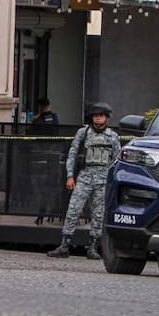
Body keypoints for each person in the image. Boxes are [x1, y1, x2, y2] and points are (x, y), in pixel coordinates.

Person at [48, 101, 121, 259]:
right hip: (85, 177)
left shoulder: (113, 136)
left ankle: (93, 246)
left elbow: (116, 160)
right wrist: (69, 175)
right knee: (73, 210)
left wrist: (113, 181)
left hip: (103, 179)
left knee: (98, 214)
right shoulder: (83, 133)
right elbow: (72, 154)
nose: (98, 119)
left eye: (101, 116)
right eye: (95, 116)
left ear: (106, 118)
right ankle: (64, 245)